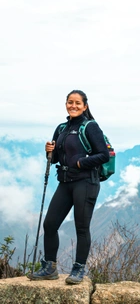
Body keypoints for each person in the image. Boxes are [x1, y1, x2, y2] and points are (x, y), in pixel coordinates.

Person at [27, 89, 109, 284]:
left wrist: (81, 163)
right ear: (66, 104)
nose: (73, 106)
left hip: (85, 182)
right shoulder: (62, 127)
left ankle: (78, 269)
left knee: (81, 227)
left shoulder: (90, 127)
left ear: (85, 106)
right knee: (50, 224)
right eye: (70, 102)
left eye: (77, 103)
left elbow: (103, 155)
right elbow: (57, 157)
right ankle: (49, 268)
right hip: (65, 182)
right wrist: (49, 151)